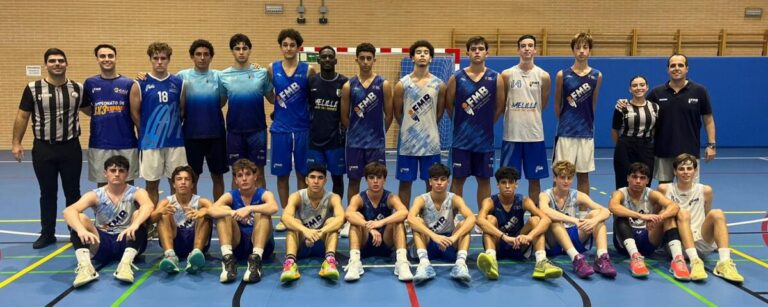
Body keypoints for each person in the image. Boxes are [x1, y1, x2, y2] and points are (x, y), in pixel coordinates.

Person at [12, 48, 86, 249]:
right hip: (44, 148)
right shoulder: (33, 88)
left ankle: (76, 232)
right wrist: (16, 143)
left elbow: (92, 110)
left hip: (70, 147)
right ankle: (47, 233)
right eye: (52, 61)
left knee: (73, 193)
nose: (57, 64)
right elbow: (22, 116)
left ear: (67, 64)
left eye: (61, 60)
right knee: (47, 192)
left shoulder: (77, 88)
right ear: (46, 64)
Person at [63, 155, 154, 287]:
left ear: (127, 174)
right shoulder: (96, 194)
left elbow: (148, 205)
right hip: (102, 242)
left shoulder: (136, 192)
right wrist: (81, 230)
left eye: (121, 171)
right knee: (80, 218)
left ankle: (125, 265)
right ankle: (86, 268)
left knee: (138, 214)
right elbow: (68, 211)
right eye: (113, 170)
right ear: (105, 173)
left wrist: (134, 225)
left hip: (127, 239)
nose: (117, 174)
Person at [658, 154, 744, 282]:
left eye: (689, 168)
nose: (685, 172)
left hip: (701, 244)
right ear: (675, 171)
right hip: (677, 246)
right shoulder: (665, 189)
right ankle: (694, 262)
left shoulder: (705, 190)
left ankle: (724, 263)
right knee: (682, 213)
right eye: (681, 169)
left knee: (717, 213)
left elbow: (707, 215)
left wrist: (715, 240)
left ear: (695, 171)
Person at [445, 36, 505, 207]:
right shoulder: (457, 78)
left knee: (484, 181)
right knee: (457, 180)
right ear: (468, 53)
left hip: (484, 142)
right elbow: (449, 106)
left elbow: (500, 106)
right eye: (473, 49)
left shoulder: (496, 78)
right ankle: (455, 217)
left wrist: (484, 123)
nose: (477, 52)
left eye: (480, 48)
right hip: (461, 141)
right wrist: (463, 124)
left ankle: (483, 218)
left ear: (487, 52)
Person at [475, 166, 562, 280]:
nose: (507, 186)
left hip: (519, 244)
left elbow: (546, 219)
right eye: (503, 182)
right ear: (498, 185)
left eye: (511, 182)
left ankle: (541, 262)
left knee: (535, 220)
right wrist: (504, 237)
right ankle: (491, 259)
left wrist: (529, 236)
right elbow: (479, 220)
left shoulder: (524, 201)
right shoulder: (489, 201)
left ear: (516, 185)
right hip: (498, 243)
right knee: (490, 219)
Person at [268, 29, 316, 232]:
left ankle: (300, 215)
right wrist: (279, 108)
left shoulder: (308, 70)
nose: (288, 48)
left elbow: (312, 100)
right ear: (281, 47)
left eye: (292, 45)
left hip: (303, 129)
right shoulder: (272, 68)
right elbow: (269, 95)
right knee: (282, 174)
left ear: (298, 47)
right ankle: (286, 215)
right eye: (285, 44)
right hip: (280, 130)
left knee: (302, 173)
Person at [608, 162, 691, 280]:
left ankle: (677, 259)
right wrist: (641, 216)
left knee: (668, 215)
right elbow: (613, 207)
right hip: (625, 243)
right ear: (628, 178)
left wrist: (659, 217)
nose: (638, 181)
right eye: (634, 177)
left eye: (642, 178)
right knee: (620, 215)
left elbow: (674, 206)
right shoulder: (620, 193)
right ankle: (635, 257)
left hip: (648, 239)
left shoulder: (652, 194)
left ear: (647, 180)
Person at [129, 42, 187, 206]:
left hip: (175, 142)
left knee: (177, 183)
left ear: (169, 59)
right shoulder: (140, 84)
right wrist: (149, 132)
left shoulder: (179, 83)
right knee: (151, 185)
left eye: (163, 58)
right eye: (156, 58)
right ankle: (152, 223)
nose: (159, 62)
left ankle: (176, 220)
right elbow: (135, 113)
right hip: (150, 144)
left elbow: (182, 111)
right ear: (150, 59)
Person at [540, 160, 616, 278]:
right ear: (555, 178)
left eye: (569, 178)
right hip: (554, 240)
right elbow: (545, 210)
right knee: (554, 220)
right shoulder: (545, 195)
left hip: (573, 235)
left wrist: (594, 221)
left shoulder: (577, 195)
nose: (566, 181)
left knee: (597, 215)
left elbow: (605, 211)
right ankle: (576, 259)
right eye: (562, 177)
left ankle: (602, 257)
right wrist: (574, 220)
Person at [648, 54, 716, 184]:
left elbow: (708, 119)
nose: (676, 68)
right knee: (664, 190)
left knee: (689, 191)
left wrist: (711, 145)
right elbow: (642, 110)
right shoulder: (657, 92)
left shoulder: (699, 91)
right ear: (668, 70)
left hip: (690, 151)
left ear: (686, 69)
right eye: (672, 65)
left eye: (680, 65)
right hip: (663, 151)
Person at [393, 39, 446, 208]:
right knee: (405, 183)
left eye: (426, 53)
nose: (422, 55)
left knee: (431, 182)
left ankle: (429, 215)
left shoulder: (439, 85)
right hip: (408, 142)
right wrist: (410, 127)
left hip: (430, 142)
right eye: (418, 52)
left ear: (431, 58)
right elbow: (398, 113)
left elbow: (439, 112)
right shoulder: (402, 84)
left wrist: (427, 126)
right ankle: (403, 217)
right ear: (412, 58)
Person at [207, 158, 278, 283]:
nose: (244, 179)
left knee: (263, 213)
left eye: (248, 174)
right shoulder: (231, 195)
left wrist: (249, 208)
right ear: (236, 180)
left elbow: (273, 207)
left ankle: (256, 261)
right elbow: (212, 210)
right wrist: (232, 212)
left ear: (255, 176)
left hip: (261, 245)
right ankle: (228, 259)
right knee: (223, 211)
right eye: (240, 175)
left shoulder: (264, 193)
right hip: (237, 246)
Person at [341, 42, 393, 205]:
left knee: (377, 182)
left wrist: (379, 133)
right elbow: (344, 116)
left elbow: (389, 114)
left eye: (368, 58)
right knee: (354, 181)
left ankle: (377, 211)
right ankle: (351, 215)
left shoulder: (383, 84)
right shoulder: (349, 85)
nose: (365, 62)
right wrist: (355, 132)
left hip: (376, 144)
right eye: (362, 58)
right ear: (356, 60)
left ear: (374, 60)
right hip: (354, 144)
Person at [500, 35, 550, 204]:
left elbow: (542, 104)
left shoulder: (543, 76)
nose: (527, 48)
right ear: (518, 49)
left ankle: (535, 215)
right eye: (523, 46)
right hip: (512, 135)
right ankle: (506, 213)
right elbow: (502, 101)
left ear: (535, 49)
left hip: (534, 135)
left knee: (534, 180)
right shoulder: (507, 74)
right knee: (507, 180)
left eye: (530, 45)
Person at [219, 33, 274, 189]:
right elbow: (220, 103)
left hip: (257, 131)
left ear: (250, 50)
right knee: (237, 174)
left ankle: (262, 211)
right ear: (232, 51)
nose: (241, 52)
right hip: (234, 132)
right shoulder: (223, 75)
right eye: (237, 49)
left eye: (245, 48)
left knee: (259, 173)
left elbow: (272, 98)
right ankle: (236, 211)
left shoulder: (261, 73)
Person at [176, 39, 228, 200]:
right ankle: (193, 213)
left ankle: (218, 210)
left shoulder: (219, 76)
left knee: (218, 176)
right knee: (192, 178)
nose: (202, 57)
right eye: (198, 54)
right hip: (191, 136)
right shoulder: (182, 76)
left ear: (211, 57)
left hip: (216, 135)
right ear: (192, 56)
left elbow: (222, 101)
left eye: (206, 54)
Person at [553, 32, 603, 196]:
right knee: (561, 175)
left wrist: (585, 122)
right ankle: (559, 208)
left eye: (585, 47)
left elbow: (593, 104)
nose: (581, 51)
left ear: (590, 51)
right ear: (573, 50)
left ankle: (582, 212)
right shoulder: (563, 75)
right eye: (578, 47)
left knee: (583, 175)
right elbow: (557, 105)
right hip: (566, 133)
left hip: (585, 133)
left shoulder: (597, 75)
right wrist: (567, 122)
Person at [344, 162, 412, 281]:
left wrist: (381, 223)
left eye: (379, 178)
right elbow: (348, 214)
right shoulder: (359, 198)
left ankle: (402, 262)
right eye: (371, 178)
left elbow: (404, 212)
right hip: (365, 241)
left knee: (398, 220)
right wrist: (369, 226)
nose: (375, 181)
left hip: (386, 241)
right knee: (356, 217)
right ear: (366, 180)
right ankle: (355, 262)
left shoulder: (390, 197)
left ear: (384, 180)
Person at [408, 163, 476, 283]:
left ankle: (460, 264)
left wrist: (454, 237)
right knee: (418, 221)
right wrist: (434, 236)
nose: (439, 183)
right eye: (436, 179)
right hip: (429, 241)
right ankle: (424, 264)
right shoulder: (421, 199)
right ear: (430, 182)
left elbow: (471, 218)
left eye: (443, 179)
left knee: (464, 224)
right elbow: (411, 218)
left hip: (449, 242)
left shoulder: (455, 199)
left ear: (448, 182)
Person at [83, 44, 139, 188]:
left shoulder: (128, 83)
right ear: (97, 59)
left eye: (110, 56)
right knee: (102, 187)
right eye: (102, 56)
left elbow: (135, 113)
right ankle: (103, 212)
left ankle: (129, 212)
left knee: (128, 186)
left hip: (126, 143)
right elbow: (85, 107)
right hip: (99, 143)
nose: (106, 59)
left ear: (115, 58)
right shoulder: (90, 83)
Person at [278, 164, 345, 283]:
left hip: (322, 243)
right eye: (312, 177)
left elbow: (341, 218)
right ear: (306, 180)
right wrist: (305, 230)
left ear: (325, 180)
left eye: (320, 178)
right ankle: (290, 264)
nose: (316, 181)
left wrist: (321, 232)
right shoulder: (297, 196)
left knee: (332, 221)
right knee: (294, 223)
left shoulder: (333, 197)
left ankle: (329, 261)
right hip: (302, 243)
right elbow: (285, 217)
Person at [150, 165, 213, 274]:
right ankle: (170, 255)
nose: (183, 182)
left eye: (187, 179)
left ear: (192, 184)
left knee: (205, 212)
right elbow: (150, 220)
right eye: (179, 179)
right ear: (174, 184)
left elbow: (217, 213)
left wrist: (203, 212)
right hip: (175, 241)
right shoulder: (166, 201)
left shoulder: (201, 201)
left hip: (196, 240)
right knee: (163, 214)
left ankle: (196, 253)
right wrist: (160, 212)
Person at [306, 46, 348, 198]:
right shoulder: (311, 82)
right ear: (318, 60)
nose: (327, 59)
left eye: (331, 57)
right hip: (314, 142)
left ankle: (337, 213)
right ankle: (315, 211)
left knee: (338, 179)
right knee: (314, 180)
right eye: (324, 57)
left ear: (336, 60)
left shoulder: (344, 83)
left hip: (336, 142)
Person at [611, 76, 658, 189]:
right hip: (625, 147)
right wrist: (620, 147)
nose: (638, 88)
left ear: (647, 88)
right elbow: (614, 129)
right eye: (635, 85)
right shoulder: (621, 106)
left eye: (642, 85)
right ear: (630, 89)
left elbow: (655, 128)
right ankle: (622, 206)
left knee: (645, 179)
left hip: (646, 147)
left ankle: (643, 206)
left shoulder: (655, 107)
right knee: (624, 180)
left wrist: (648, 142)